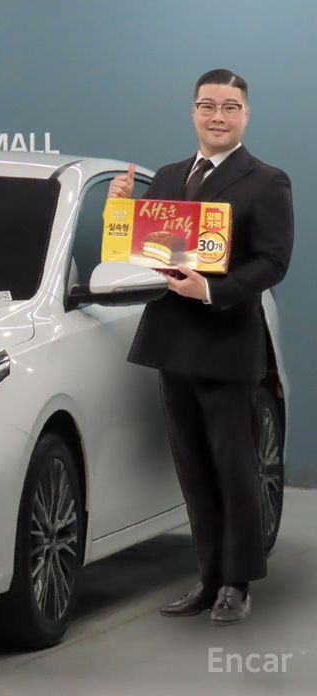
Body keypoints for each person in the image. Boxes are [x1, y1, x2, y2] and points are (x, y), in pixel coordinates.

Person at [107, 69, 294, 625]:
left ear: (245, 115)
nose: (218, 116)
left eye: (230, 107)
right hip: (173, 342)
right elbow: (137, 248)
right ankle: (208, 577)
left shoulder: (267, 181)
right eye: (208, 105)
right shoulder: (167, 176)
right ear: (193, 111)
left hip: (228, 343)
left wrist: (212, 290)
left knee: (234, 468)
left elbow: (273, 261)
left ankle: (237, 583)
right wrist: (119, 210)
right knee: (192, 470)